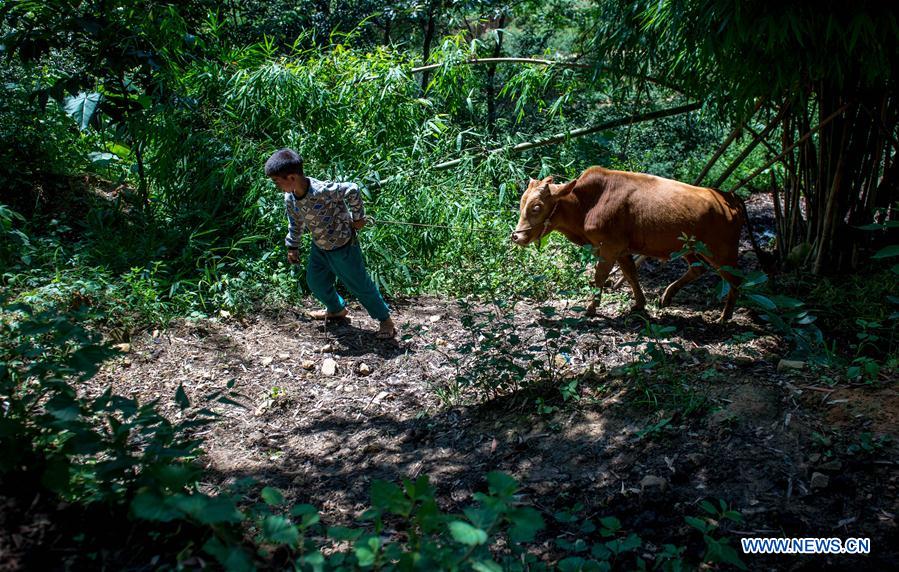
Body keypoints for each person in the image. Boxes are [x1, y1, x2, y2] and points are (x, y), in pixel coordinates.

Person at [264, 148, 396, 339]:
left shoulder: (321, 191)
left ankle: (385, 320)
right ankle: (336, 309)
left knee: (360, 285)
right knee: (315, 282)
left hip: (343, 247)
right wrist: (292, 246)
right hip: (320, 247)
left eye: (277, 181)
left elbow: (352, 189)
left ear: (291, 177)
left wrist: (358, 219)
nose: (276, 185)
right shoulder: (290, 198)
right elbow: (295, 223)